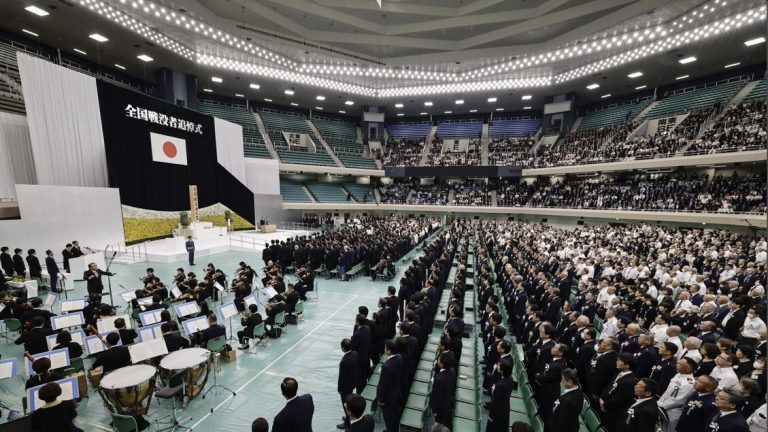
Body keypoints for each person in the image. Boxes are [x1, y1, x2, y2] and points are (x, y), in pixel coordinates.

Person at [600, 353, 639, 432]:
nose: (617, 362)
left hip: (614, 413)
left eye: (619, 361)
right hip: (605, 405)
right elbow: (609, 386)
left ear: (627, 365)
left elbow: (619, 399)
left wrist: (605, 405)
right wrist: (601, 398)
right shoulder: (619, 373)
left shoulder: (629, 382)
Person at [378, 340, 403, 432]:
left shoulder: (386, 367)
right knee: (394, 417)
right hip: (396, 392)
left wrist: (381, 400)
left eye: (385, 347)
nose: (384, 349)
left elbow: (383, 385)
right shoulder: (399, 357)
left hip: (388, 398)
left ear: (389, 351)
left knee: (389, 419)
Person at [429, 352, 457, 428]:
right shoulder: (452, 370)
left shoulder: (439, 379)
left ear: (441, 364)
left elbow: (436, 397)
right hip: (449, 404)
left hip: (441, 409)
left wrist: (434, 410)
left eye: (439, 359)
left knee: (440, 426)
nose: (438, 359)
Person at [487, 360, 515, 432]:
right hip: (505, 408)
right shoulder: (511, 379)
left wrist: (491, 416)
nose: (497, 366)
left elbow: (496, 402)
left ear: (502, 371)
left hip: (498, 413)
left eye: (499, 366)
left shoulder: (500, 385)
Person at [337, 338, 359, 430]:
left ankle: (347, 422)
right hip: (353, 382)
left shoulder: (344, 361)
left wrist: (339, 388)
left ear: (343, 348)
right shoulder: (355, 353)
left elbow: (341, 377)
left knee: (345, 404)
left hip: (346, 386)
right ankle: (348, 417)